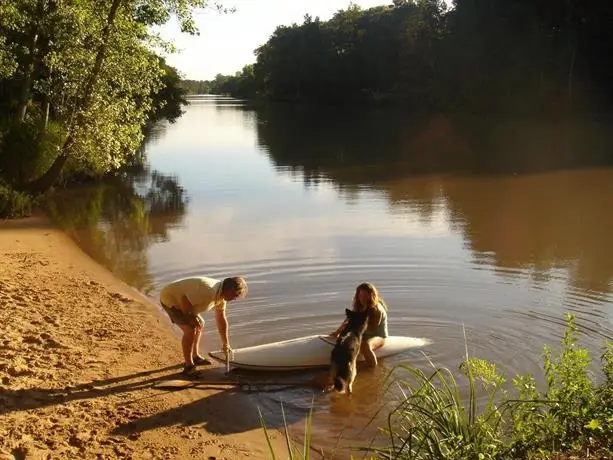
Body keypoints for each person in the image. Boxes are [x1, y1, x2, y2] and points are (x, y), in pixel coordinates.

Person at [159, 275, 248, 376]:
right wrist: (191, 319)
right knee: (190, 329)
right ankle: (189, 366)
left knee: (200, 324)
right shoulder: (209, 291)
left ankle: (195, 356)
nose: (235, 298)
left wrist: (225, 344)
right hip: (171, 299)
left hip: (186, 303)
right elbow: (184, 301)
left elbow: (221, 319)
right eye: (236, 294)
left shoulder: (221, 296)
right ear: (229, 290)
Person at [330, 282, 388, 367]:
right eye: (360, 296)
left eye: (365, 296)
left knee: (365, 345)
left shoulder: (377, 310)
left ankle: (373, 368)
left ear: (371, 295)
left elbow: (372, 329)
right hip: (363, 334)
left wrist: (356, 333)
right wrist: (337, 332)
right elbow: (348, 319)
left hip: (378, 336)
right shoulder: (359, 305)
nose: (362, 299)